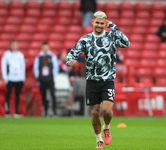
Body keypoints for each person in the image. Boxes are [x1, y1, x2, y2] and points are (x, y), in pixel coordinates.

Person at [66, 11, 130, 148]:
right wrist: (70, 60)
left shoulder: (111, 37)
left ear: (105, 23)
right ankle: (98, 139)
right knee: (95, 113)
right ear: (93, 22)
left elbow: (126, 43)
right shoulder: (85, 39)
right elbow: (72, 53)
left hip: (107, 80)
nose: (99, 25)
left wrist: (113, 26)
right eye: (97, 22)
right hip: (92, 81)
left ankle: (106, 127)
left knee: (107, 111)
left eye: (102, 23)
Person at [33, 42, 59, 117]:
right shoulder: (38, 57)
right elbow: (35, 68)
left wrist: (52, 75)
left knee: (53, 94)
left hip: (50, 79)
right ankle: (45, 112)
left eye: (46, 47)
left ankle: (54, 111)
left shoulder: (52, 56)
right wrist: (38, 76)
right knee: (43, 96)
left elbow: (55, 67)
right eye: (44, 48)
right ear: (42, 48)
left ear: (48, 48)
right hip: (42, 79)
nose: (45, 49)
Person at [1, 40, 25, 118]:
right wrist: (5, 77)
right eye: (13, 45)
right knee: (8, 95)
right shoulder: (6, 55)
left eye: (16, 45)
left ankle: (17, 112)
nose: (14, 46)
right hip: (10, 78)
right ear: (10, 45)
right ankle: (7, 112)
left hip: (18, 78)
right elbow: (3, 66)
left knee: (17, 95)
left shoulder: (20, 55)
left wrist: (22, 77)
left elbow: (22, 66)